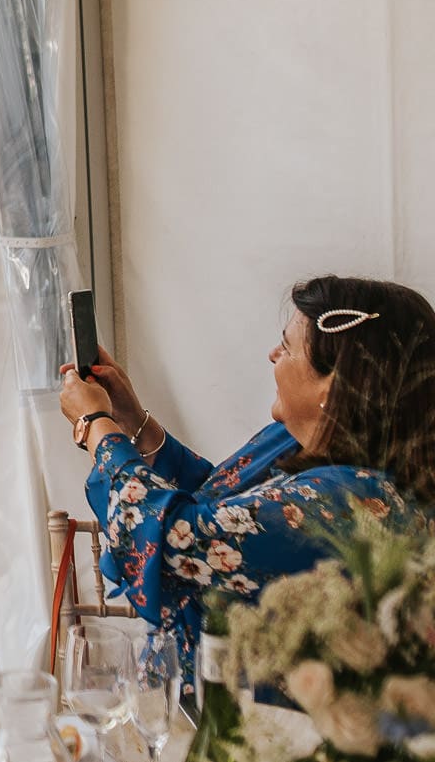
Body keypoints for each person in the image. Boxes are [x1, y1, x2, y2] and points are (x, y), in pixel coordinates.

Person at [59, 275, 435, 690]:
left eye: (287, 347)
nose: (273, 354)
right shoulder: (291, 442)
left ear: (335, 385)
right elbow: (225, 509)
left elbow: (177, 541)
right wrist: (133, 420)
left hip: (240, 716)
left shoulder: (352, 501)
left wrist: (95, 425)